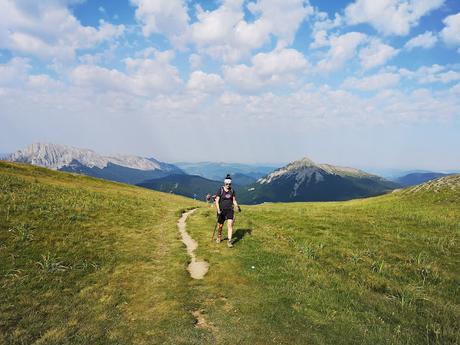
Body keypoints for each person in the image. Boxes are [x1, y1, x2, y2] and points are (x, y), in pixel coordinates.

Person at [215, 174, 241, 247]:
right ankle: (219, 236)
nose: (228, 185)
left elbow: (234, 200)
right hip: (221, 210)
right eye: (227, 184)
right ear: (224, 183)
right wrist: (218, 210)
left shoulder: (232, 191)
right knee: (220, 226)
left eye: (229, 184)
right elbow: (217, 201)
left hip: (230, 210)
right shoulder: (220, 190)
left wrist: (236, 205)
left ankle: (229, 241)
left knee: (230, 225)